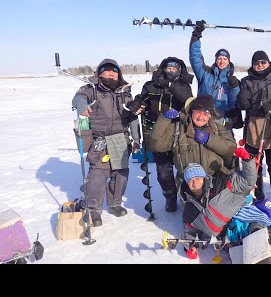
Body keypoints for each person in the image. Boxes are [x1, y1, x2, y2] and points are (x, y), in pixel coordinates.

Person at [72, 58, 140, 227]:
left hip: (120, 139)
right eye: (107, 70)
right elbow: (78, 98)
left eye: (114, 71)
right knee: (98, 175)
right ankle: (93, 209)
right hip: (99, 140)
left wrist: (137, 139)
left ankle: (115, 203)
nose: (111, 73)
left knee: (121, 174)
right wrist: (82, 106)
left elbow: (132, 117)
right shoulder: (91, 89)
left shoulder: (124, 91)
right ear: (100, 73)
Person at [180, 148, 271, 263]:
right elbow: (189, 231)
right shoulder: (189, 210)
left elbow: (248, 181)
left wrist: (247, 160)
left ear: (203, 177)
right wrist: (190, 247)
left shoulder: (222, 183)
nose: (194, 183)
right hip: (227, 236)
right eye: (190, 180)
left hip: (244, 220)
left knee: (259, 246)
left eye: (197, 178)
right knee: (239, 256)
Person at [126, 57, 193, 212]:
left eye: (174, 68)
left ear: (179, 70)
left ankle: (186, 196)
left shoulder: (184, 86)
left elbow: (186, 99)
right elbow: (142, 101)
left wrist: (170, 86)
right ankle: (170, 197)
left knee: (184, 168)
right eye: (168, 68)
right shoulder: (150, 86)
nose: (171, 71)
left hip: (179, 132)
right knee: (163, 172)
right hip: (158, 132)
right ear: (163, 69)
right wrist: (137, 104)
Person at [148, 94, 237, 198]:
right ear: (191, 112)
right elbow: (155, 145)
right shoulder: (178, 129)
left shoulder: (217, 129)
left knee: (217, 210)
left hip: (215, 180)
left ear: (210, 115)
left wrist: (209, 139)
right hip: (190, 184)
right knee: (193, 212)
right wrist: (164, 120)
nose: (201, 117)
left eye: (205, 113)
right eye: (198, 112)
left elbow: (231, 149)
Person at [237, 50, 271, 208]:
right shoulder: (246, 80)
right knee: (254, 164)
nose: (260, 65)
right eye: (256, 63)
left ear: (268, 62)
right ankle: (258, 194)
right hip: (253, 125)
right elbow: (242, 102)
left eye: (263, 62)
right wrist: (242, 100)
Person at [188, 20, 242, 131]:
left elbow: (233, 104)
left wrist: (235, 88)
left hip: (222, 120)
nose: (222, 61)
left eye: (225, 59)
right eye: (219, 59)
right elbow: (195, 58)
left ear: (229, 61)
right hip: (202, 117)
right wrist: (196, 35)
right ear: (216, 60)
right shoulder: (205, 73)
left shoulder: (232, 80)